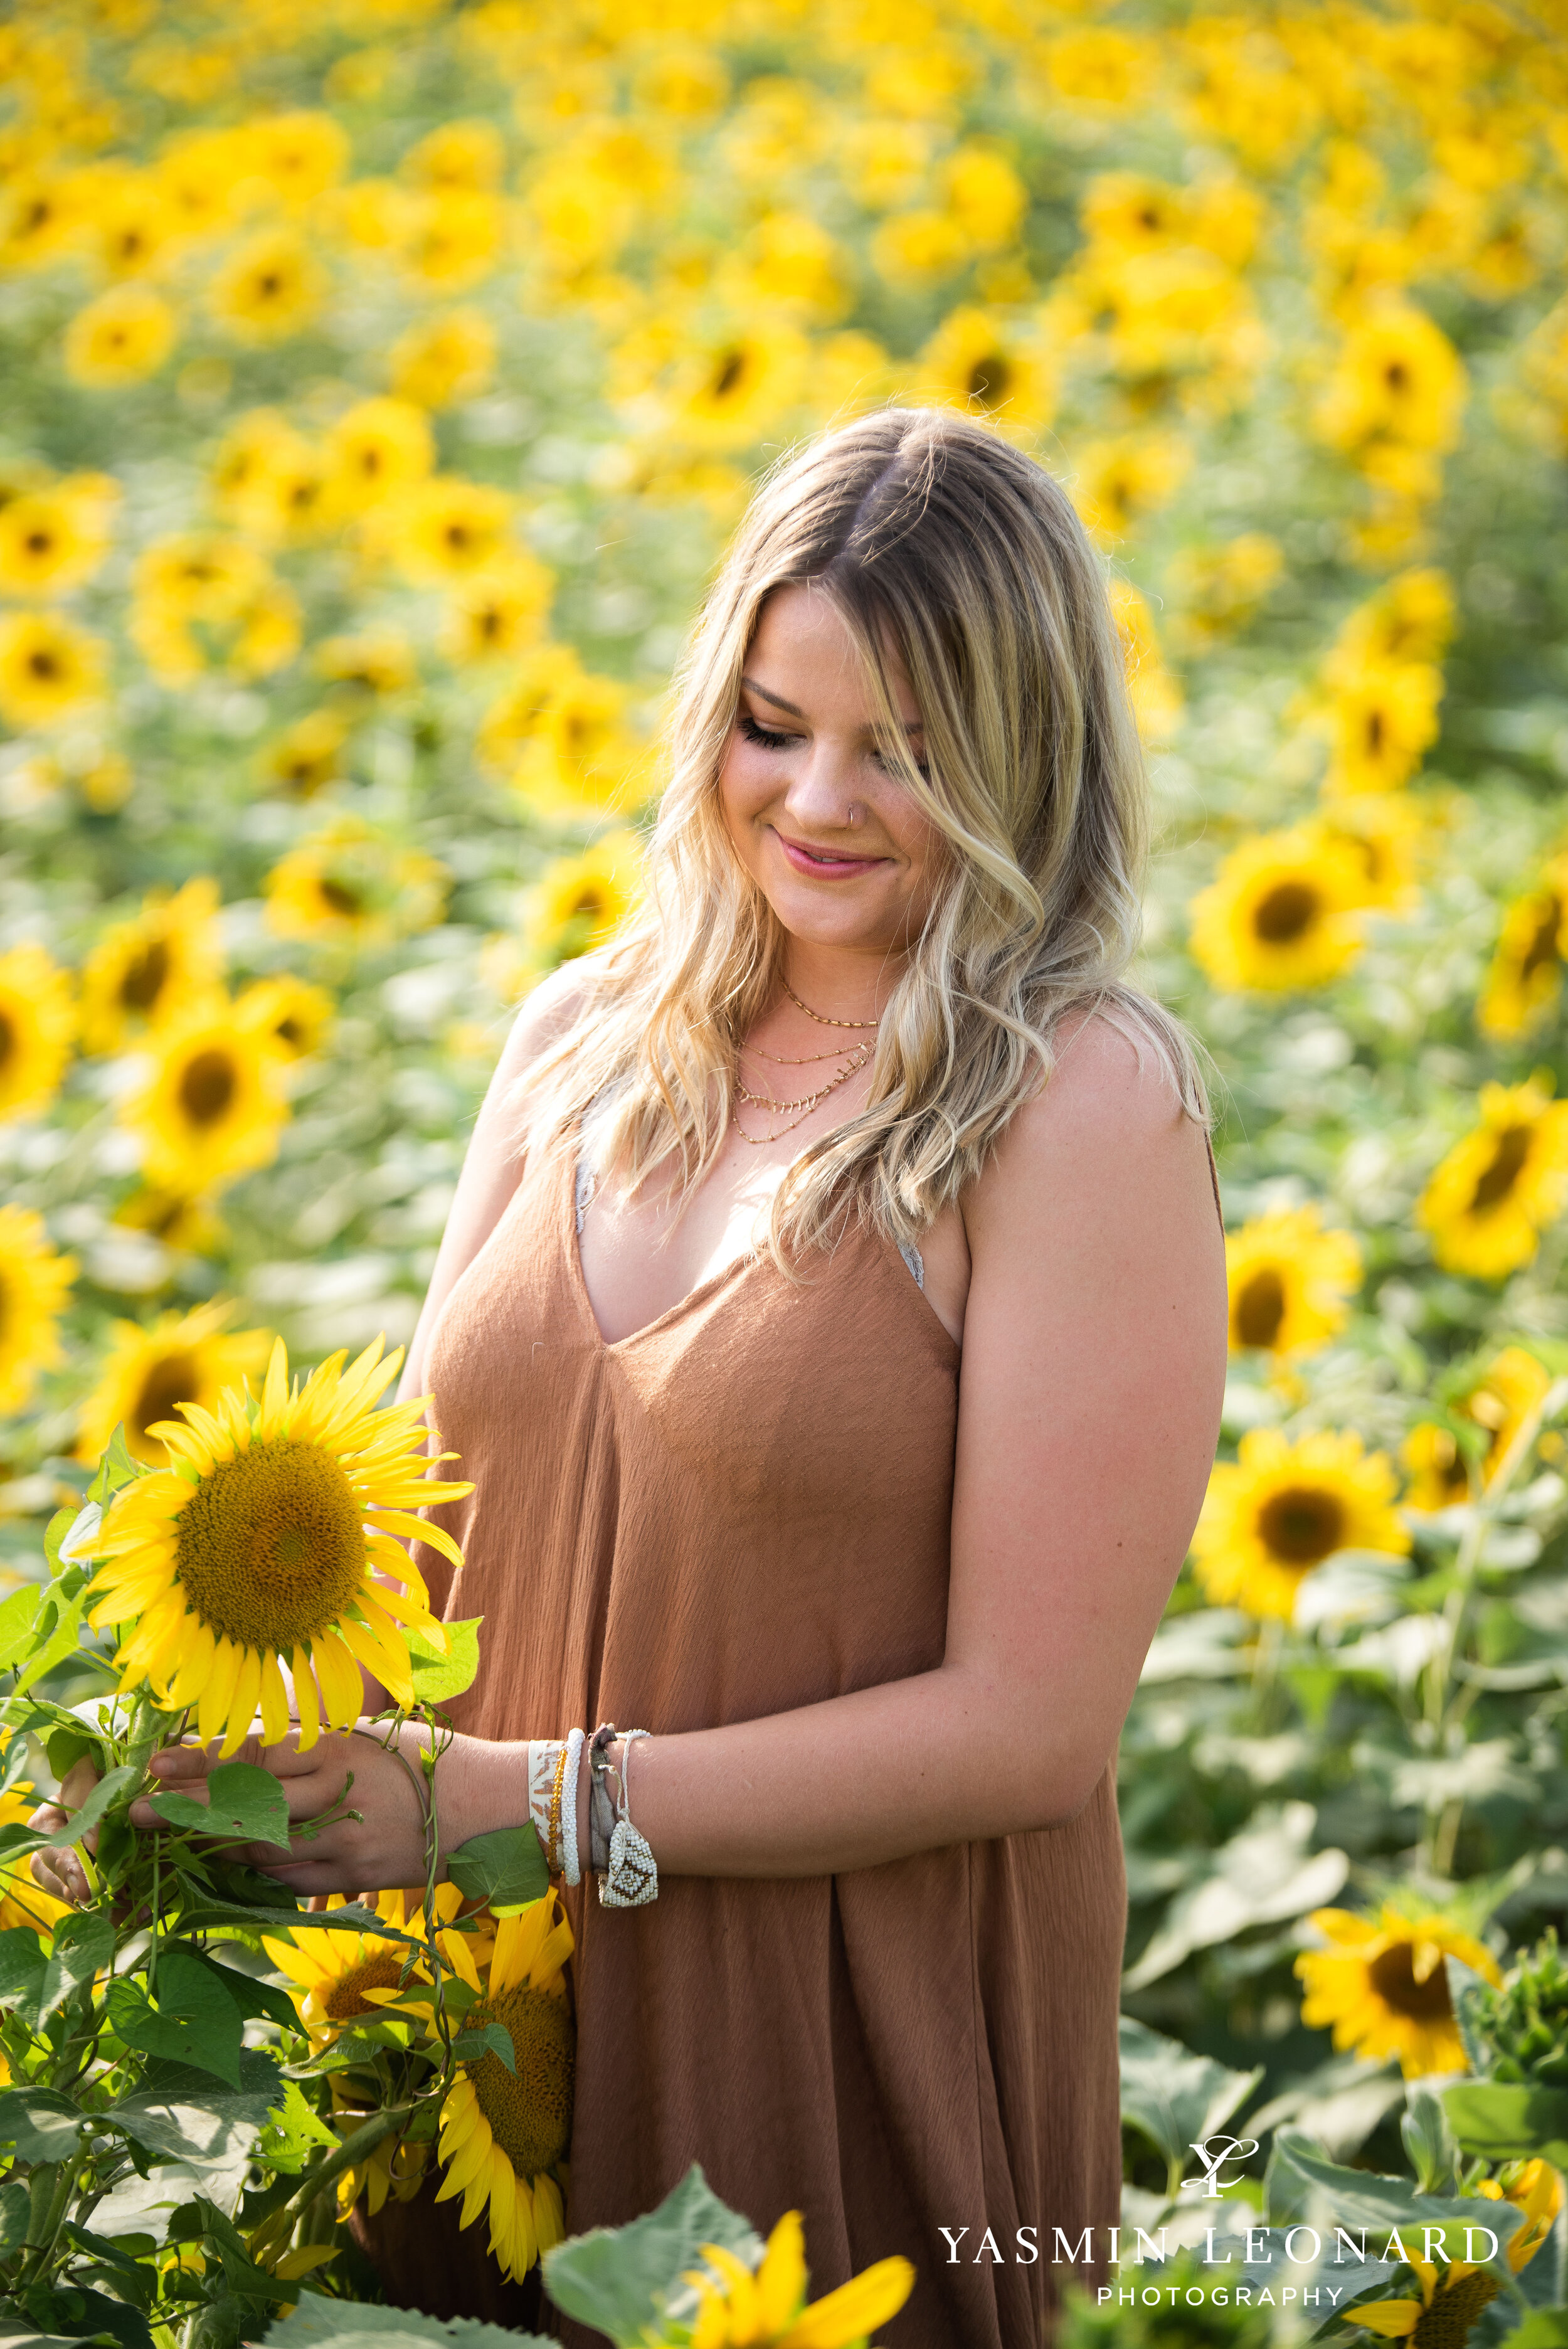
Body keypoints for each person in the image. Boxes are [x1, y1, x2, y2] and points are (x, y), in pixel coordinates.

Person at [38, 408, 1226, 2346]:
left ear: (1025, 758)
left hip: (830, 2019)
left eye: (907, 749)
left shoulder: (1077, 1101)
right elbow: (417, 1551)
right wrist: (184, 1777)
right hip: (474, 2038)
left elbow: (1033, 1728)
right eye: (775, 722)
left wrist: (533, 1796)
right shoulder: (579, 1036)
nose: (819, 799)